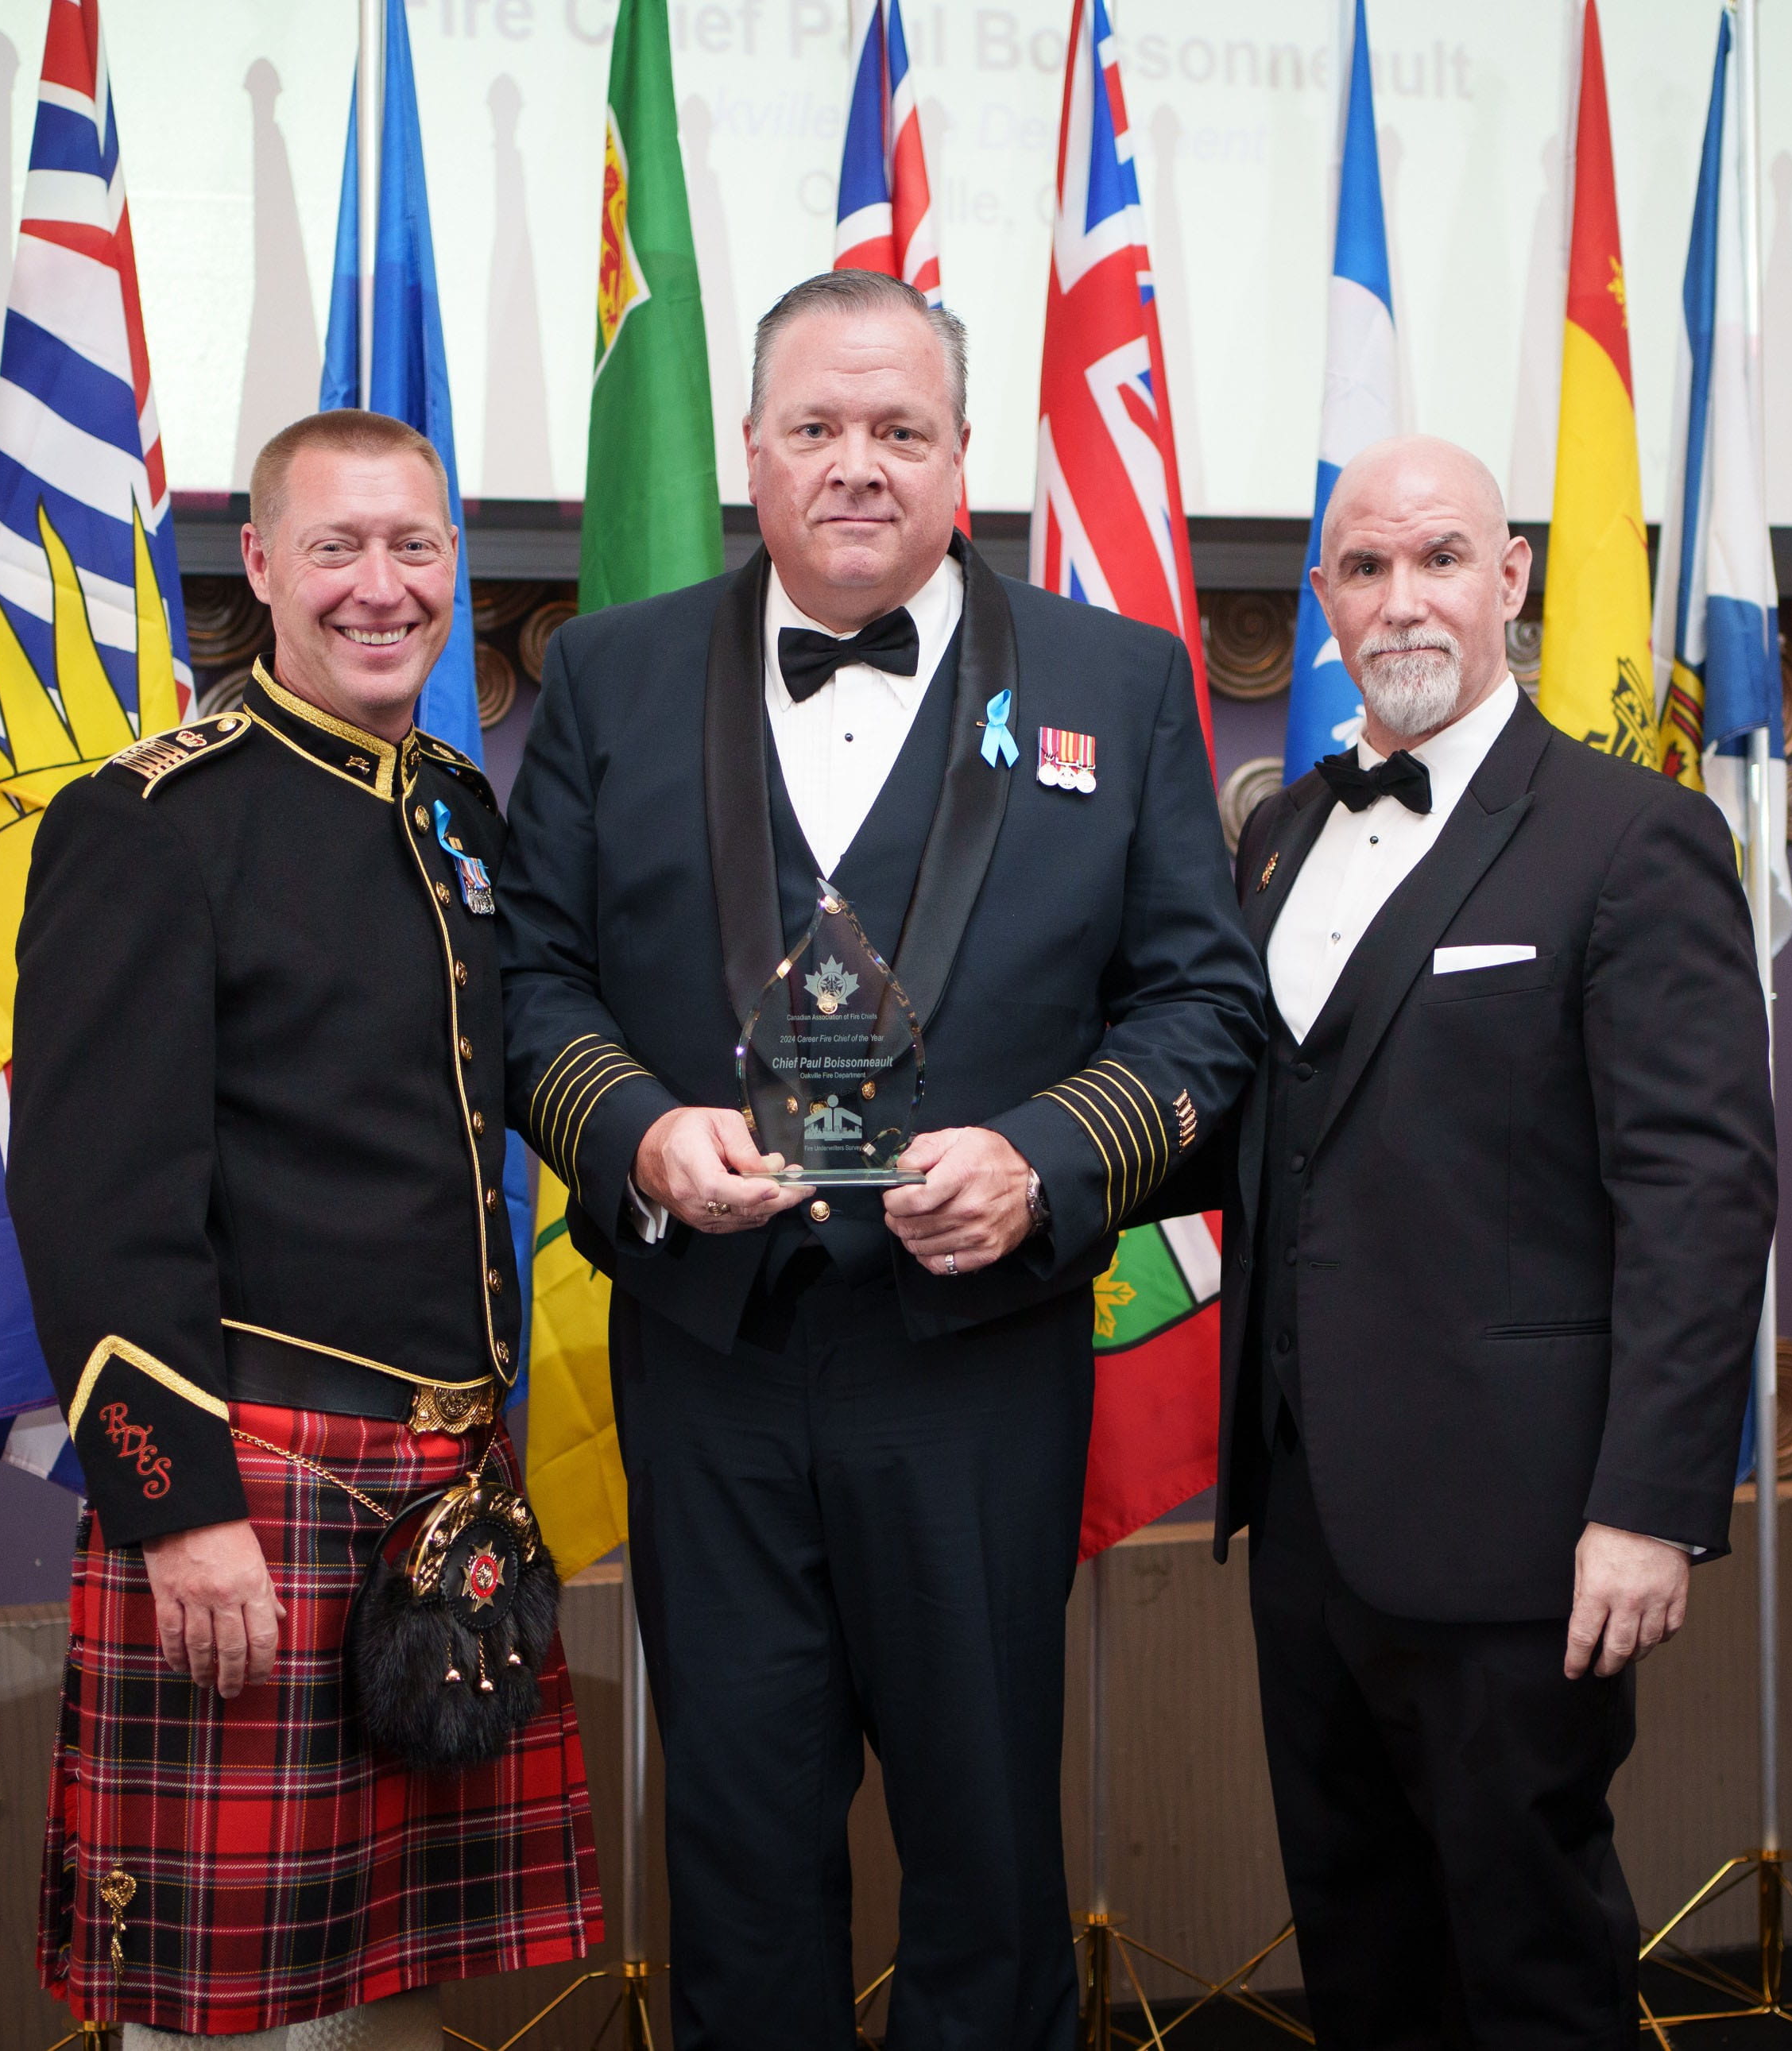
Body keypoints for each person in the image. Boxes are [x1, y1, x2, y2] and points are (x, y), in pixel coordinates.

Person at [497, 269, 1266, 2051]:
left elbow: (1203, 1006)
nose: (858, 462)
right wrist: (638, 1131)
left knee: (986, 1848)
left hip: (976, 1363)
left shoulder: (1118, 679)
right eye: (819, 427)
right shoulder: (611, 672)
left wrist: (1047, 1158)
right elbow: (530, 979)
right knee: (739, 1848)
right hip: (709, 1357)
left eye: (900, 429)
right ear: (751, 451)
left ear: (961, 455)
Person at [7, 411, 601, 2050]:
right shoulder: (149, 818)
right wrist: (175, 1507)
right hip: (253, 1491)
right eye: (336, 547)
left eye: (412, 546)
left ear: (451, 564)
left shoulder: (458, 811)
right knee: (228, 2015)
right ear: (262, 565)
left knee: (393, 1990)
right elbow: (93, 1197)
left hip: (446, 1484)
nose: (378, 586)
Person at [1212, 434, 1775, 2049]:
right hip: (1305, 1518)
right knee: (1359, 1950)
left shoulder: (1631, 834)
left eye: (1440, 557)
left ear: (1510, 577)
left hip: (1526, 1533)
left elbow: (1701, 1190)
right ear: (1325, 597)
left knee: (1532, 1963)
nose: (1402, 599)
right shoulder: (1280, 836)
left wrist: (1650, 1507)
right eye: (1366, 567)